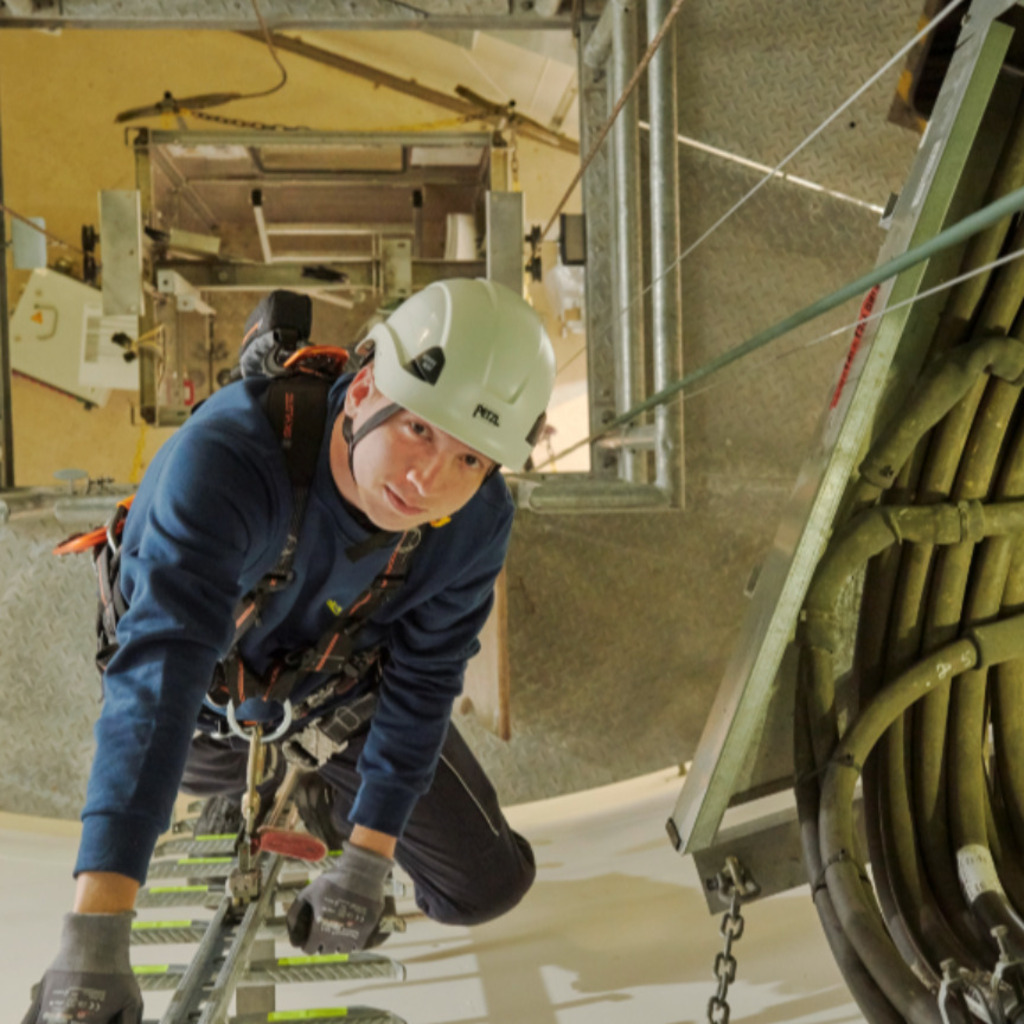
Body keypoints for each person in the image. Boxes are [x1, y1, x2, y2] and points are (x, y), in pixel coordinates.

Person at [23, 277, 556, 1024]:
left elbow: (425, 682)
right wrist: (96, 936)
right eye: (420, 430)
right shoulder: (229, 462)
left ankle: (325, 798)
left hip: (332, 701)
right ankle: (273, 778)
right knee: (192, 761)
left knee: (487, 887)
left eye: (470, 460)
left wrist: (367, 862)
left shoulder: (473, 523)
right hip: (207, 705)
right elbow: (156, 686)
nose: (427, 480)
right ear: (365, 384)